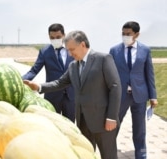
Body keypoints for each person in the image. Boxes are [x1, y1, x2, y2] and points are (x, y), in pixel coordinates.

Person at [24, 30, 122, 159]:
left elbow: (115, 87)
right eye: (68, 50)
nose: (70, 54)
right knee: (86, 154)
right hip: (83, 121)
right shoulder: (73, 66)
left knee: (108, 156)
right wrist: (39, 87)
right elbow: (60, 83)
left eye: (72, 49)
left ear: (82, 45)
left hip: (103, 121)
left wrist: (112, 117)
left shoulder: (103, 59)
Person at [109, 21, 158, 159]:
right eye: (123, 34)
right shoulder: (114, 50)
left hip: (140, 96)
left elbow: (150, 74)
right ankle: (110, 153)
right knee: (113, 127)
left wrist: (153, 96)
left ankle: (141, 155)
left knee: (140, 129)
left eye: (128, 34)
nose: (125, 36)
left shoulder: (145, 50)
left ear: (137, 34)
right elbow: (109, 74)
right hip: (120, 96)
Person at [22, 23, 75, 122]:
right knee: (52, 125)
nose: (55, 39)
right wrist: (20, 80)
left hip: (70, 96)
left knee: (70, 125)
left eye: (58, 37)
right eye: (52, 37)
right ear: (49, 37)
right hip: (52, 95)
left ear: (64, 35)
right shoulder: (45, 51)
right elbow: (34, 70)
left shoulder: (72, 49)